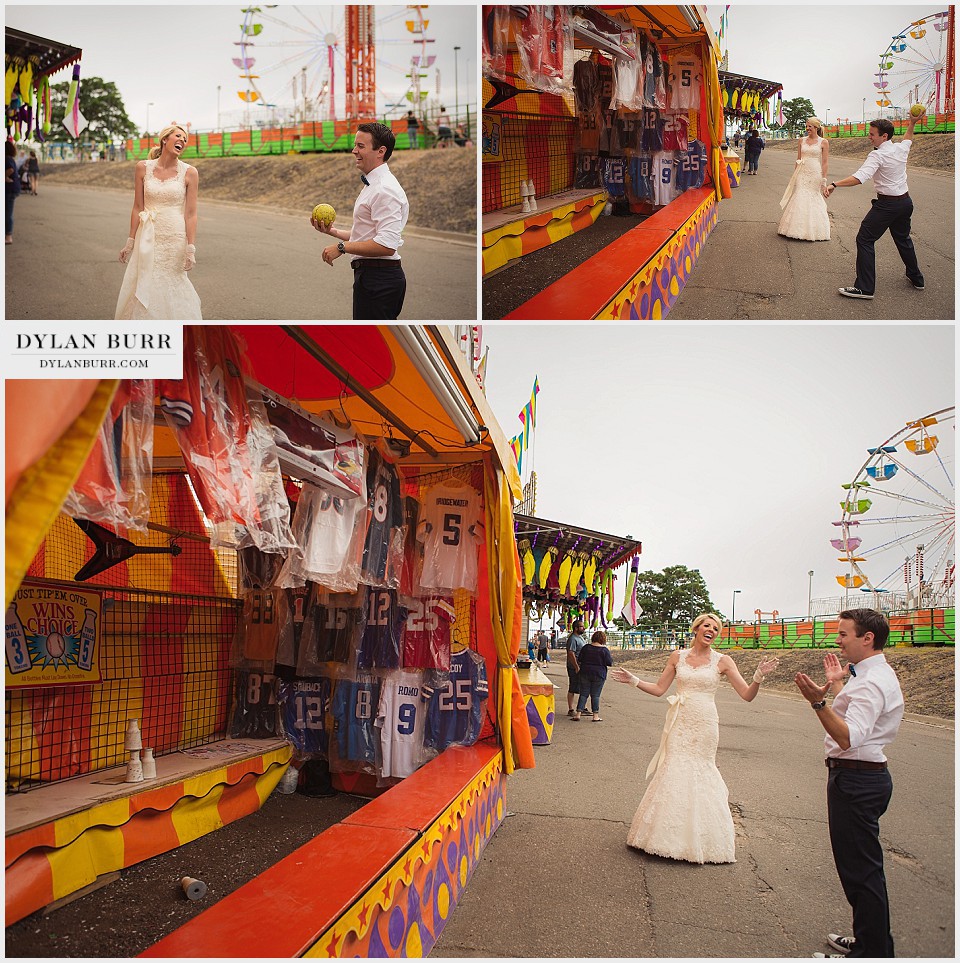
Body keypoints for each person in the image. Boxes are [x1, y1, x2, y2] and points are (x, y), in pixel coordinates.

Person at [610, 613, 779, 863]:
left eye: (716, 628)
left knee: (701, 769)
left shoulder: (723, 661)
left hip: (705, 724)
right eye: (707, 626)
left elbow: (747, 695)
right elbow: (659, 690)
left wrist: (758, 676)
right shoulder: (677, 657)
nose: (711, 630)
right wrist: (633, 680)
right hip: (680, 721)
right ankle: (663, 836)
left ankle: (701, 839)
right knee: (674, 767)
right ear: (697, 629)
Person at [794, 609, 903, 959]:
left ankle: (871, 952)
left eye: (843, 634)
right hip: (863, 776)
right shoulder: (871, 674)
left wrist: (818, 702)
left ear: (866, 638)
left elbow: (848, 736)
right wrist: (838, 684)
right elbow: (857, 715)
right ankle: (871, 942)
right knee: (862, 868)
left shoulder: (871, 681)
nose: (838, 640)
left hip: (855, 779)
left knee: (860, 872)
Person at [310, 122, 409, 320]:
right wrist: (333, 231)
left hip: (378, 280)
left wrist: (341, 247)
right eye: (355, 145)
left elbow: (386, 245)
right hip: (373, 277)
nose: (354, 150)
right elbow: (367, 235)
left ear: (380, 151)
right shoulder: (373, 184)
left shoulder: (384, 189)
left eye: (361, 146)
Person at [824, 113, 925, 300]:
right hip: (905, 202)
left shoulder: (877, 155)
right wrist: (912, 123)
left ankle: (864, 288)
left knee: (864, 239)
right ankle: (917, 278)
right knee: (903, 239)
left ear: (884, 136)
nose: (869, 137)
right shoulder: (900, 149)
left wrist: (834, 184)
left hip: (887, 205)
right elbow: (908, 138)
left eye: (872, 134)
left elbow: (860, 177)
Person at [115, 123, 201, 320]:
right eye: (178, 136)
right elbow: (138, 207)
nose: (182, 141)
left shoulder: (190, 173)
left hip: (174, 237)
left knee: (172, 281)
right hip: (147, 235)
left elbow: (191, 213)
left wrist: (190, 248)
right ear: (165, 139)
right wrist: (130, 241)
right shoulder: (142, 168)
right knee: (145, 279)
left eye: (185, 139)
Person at [778, 117, 830, 241]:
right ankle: (794, 228)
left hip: (815, 173)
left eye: (810, 127)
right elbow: (798, 158)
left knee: (813, 196)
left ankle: (813, 229)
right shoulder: (801, 140)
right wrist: (795, 175)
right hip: (802, 172)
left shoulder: (823, 142)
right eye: (806, 126)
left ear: (816, 128)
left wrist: (824, 181)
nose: (807, 129)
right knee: (800, 194)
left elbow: (825, 162)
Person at [572, 630, 612, 722]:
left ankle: (578, 714)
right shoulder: (604, 650)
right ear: (603, 639)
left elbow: (580, 659)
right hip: (599, 674)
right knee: (595, 695)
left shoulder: (586, 648)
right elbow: (609, 663)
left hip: (585, 672)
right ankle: (595, 716)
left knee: (583, 694)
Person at [565, 619, 588, 717]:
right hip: (574, 667)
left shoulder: (580, 638)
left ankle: (582, 707)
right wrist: (576, 666)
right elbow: (571, 653)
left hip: (581, 666)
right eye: (582, 626)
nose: (584, 628)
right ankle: (571, 709)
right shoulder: (573, 639)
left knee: (583, 687)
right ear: (576, 628)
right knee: (573, 687)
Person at [5, 140, 21, 245]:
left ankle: (8, 236)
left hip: (10, 189)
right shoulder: (10, 158)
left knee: (8, 212)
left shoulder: (7, 158)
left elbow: (10, 170)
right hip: (12, 188)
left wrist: (4, 176)